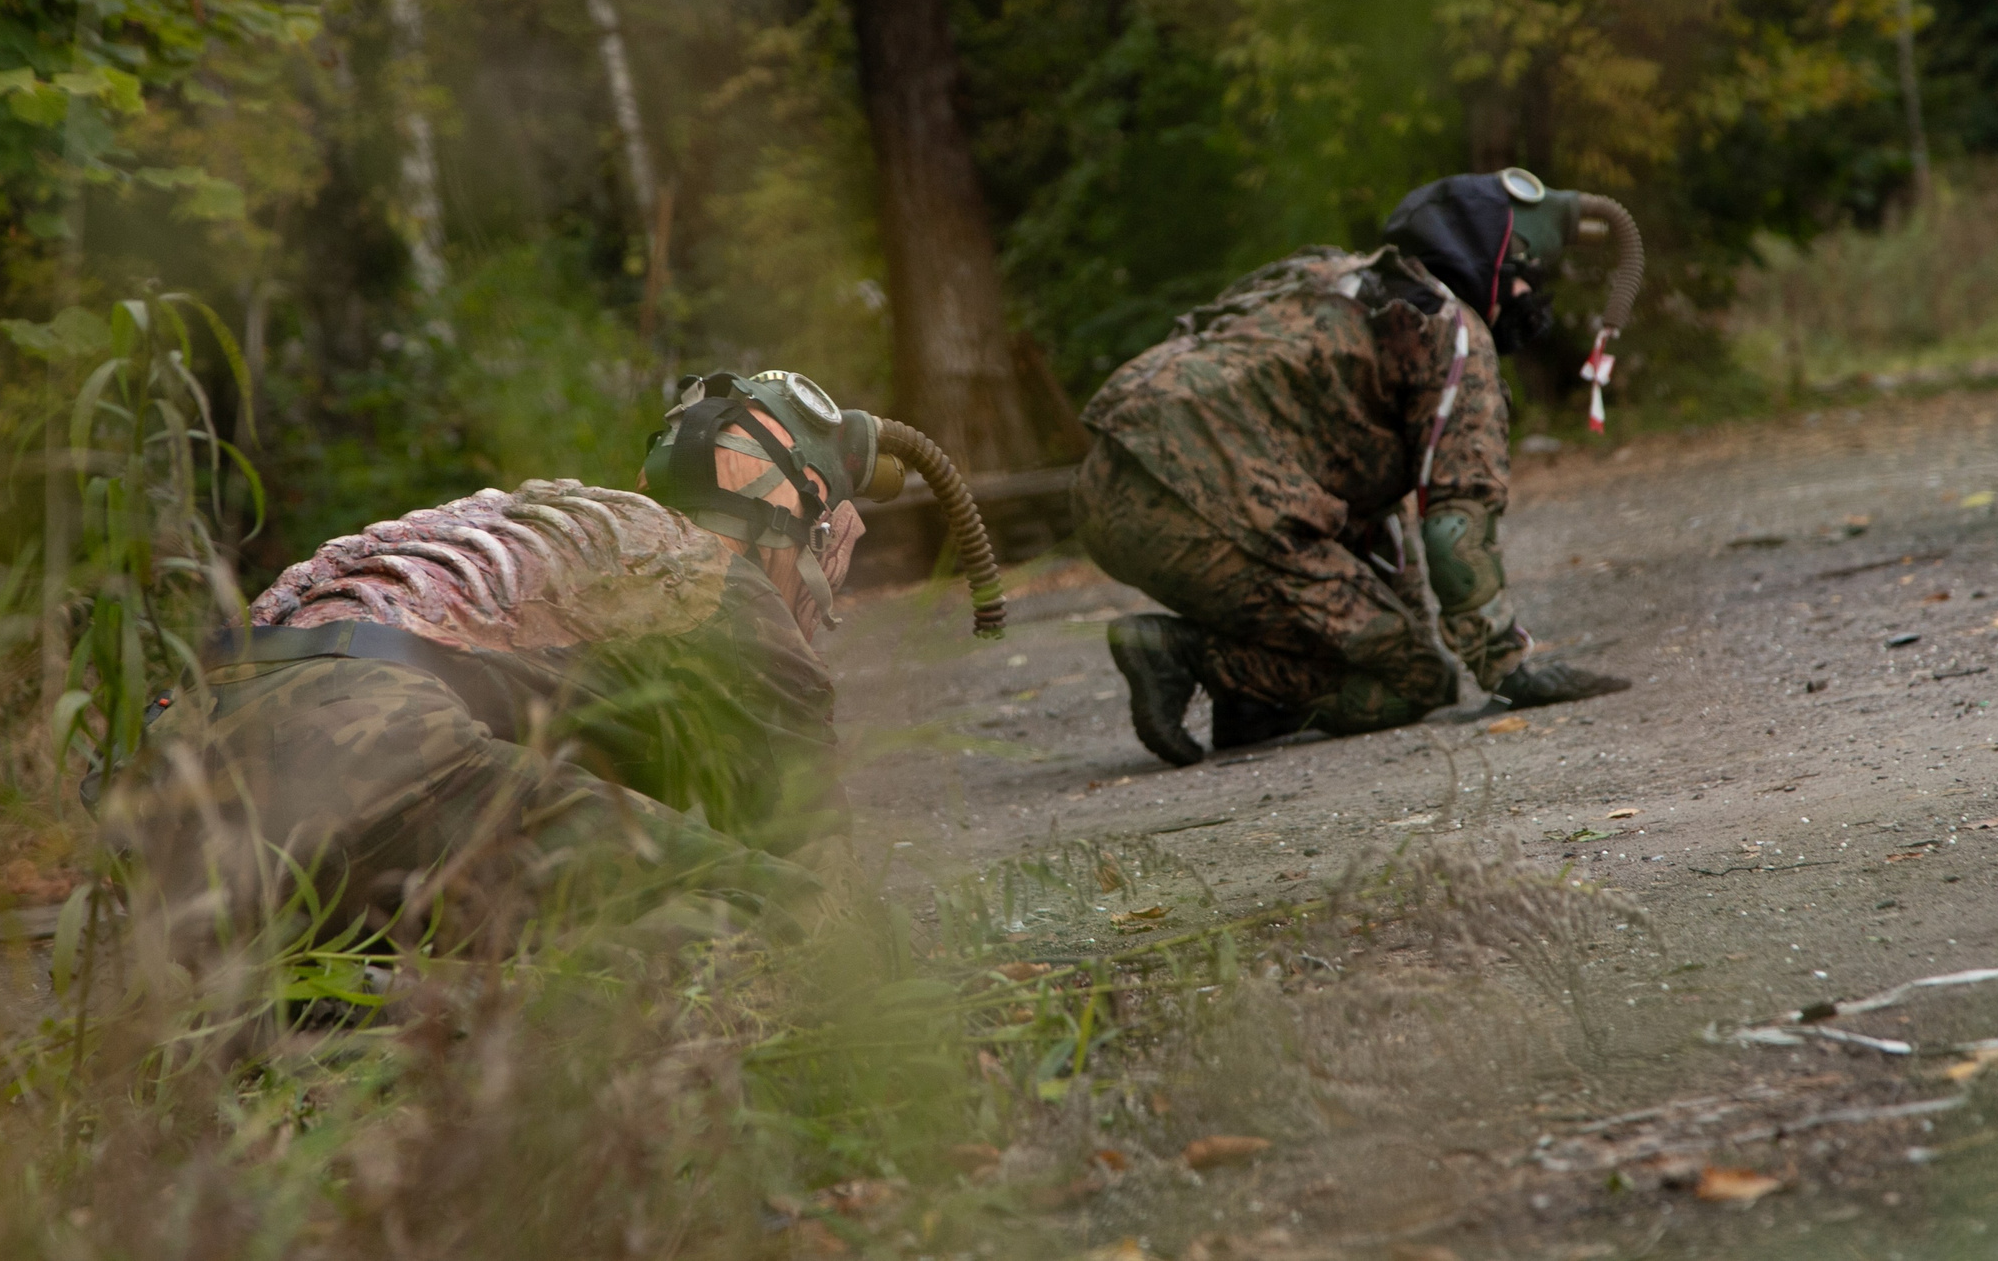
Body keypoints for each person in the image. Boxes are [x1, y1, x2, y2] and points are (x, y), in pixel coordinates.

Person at [108, 370, 1003, 966]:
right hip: (368, 741)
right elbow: (822, 880)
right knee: (782, 922)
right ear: (800, 530)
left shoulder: (574, 529)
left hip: (177, 778)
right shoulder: (717, 581)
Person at [1071, 170, 1637, 767]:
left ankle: (1252, 703)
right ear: (1495, 259)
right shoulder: (1453, 332)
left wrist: (1400, 626)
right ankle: (1189, 654)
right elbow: (1452, 528)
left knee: (1380, 640)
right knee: (1418, 680)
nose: (1529, 296)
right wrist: (1507, 666)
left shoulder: (1330, 283)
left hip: (1104, 487)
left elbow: (1379, 542)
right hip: (1204, 500)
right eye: (1525, 275)